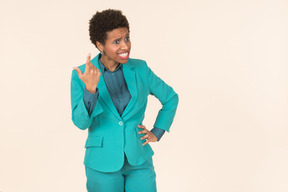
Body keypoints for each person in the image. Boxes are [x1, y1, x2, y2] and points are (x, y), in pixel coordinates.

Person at [71, 9, 179, 192]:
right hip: (101, 162)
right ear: (100, 45)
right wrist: (90, 90)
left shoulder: (141, 68)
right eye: (116, 42)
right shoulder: (82, 75)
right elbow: (81, 123)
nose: (125, 46)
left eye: (127, 38)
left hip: (139, 159)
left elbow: (170, 98)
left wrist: (157, 131)